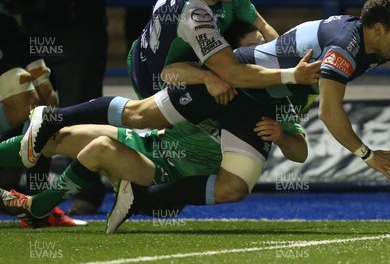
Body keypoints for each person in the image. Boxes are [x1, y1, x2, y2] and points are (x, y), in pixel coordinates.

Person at [18, 0, 390, 231]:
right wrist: (367, 155)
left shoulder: (374, 38)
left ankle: (141, 199)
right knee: (139, 116)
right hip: (235, 81)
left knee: (233, 188)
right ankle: (56, 118)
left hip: (257, 104)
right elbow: (329, 113)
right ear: (377, 28)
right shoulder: (342, 50)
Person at [0, 24, 307, 229]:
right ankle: (37, 205)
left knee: (100, 149)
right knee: (59, 136)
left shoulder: (274, 99)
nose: (261, 57)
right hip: (149, 144)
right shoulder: (208, 80)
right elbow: (168, 76)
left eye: (264, 48)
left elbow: (300, 152)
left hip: (162, 177)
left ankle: (38, 206)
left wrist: (281, 136)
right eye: (252, 51)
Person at [11, 0, 108, 215]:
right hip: (34, 32)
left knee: (77, 113)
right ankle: (35, 195)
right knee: (34, 113)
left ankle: (88, 193)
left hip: (78, 34)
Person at [129, 0, 280, 101]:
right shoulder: (193, 17)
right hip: (154, 80)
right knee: (222, 86)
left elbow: (262, 26)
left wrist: (287, 59)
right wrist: (290, 76)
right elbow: (232, 73)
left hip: (152, 51)